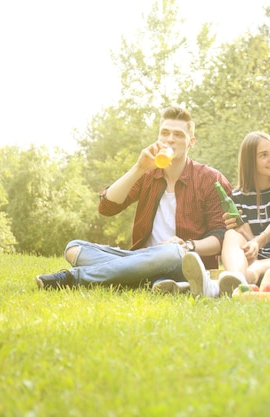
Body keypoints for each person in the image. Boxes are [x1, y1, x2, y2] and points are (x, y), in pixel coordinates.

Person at [35, 106, 230, 294]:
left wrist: (188, 245)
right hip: (142, 257)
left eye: (178, 135)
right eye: (165, 133)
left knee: (173, 252)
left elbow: (221, 236)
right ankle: (152, 279)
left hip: (185, 261)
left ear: (191, 142)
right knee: (74, 248)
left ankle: (75, 278)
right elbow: (107, 207)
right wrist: (139, 167)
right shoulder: (147, 174)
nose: (170, 139)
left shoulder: (210, 179)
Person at [181, 131, 270, 297]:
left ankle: (216, 286)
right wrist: (241, 230)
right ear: (250, 162)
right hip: (258, 258)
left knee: (255, 268)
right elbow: (249, 243)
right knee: (230, 234)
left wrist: (258, 241)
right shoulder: (237, 197)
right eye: (263, 155)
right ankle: (235, 280)